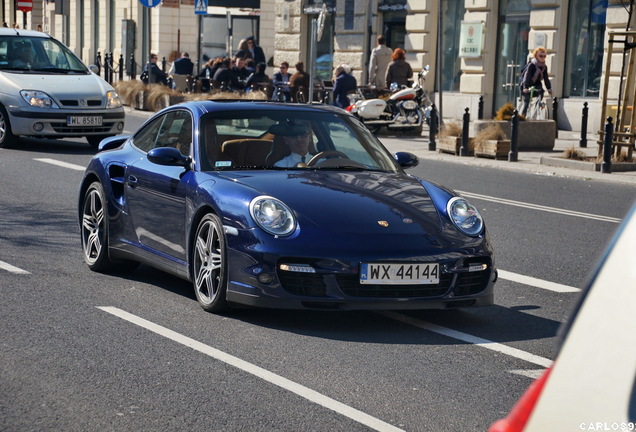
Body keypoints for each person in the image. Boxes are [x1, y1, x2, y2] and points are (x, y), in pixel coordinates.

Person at [520, 46, 553, 116]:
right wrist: (525, 87)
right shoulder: (531, 65)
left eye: (544, 56)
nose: (542, 58)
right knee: (526, 102)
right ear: (536, 56)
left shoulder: (544, 66)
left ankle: (538, 106)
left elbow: (546, 78)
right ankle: (522, 118)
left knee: (541, 91)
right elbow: (527, 76)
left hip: (536, 84)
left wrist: (549, 88)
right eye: (540, 56)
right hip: (526, 84)